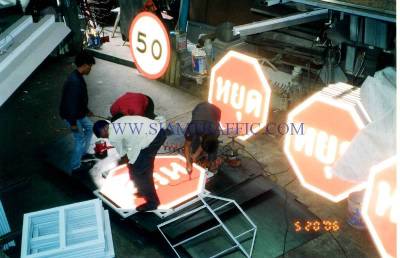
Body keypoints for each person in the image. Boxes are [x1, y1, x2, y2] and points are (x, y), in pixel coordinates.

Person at [93, 116, 166, 212]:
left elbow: (124, 156)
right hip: (159, 131)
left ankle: (152, 203)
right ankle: (142, 189)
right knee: (141, 164)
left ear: (105, 128)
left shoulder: (113, 136)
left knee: (140, 173)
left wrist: (128, 164)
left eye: (102, 135)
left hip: (152, 139)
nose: (104, 137)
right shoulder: (118, 121)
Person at [59, 51, 96, 173]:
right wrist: (73, 124)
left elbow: (78, 99)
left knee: (90, 128)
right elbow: (70, 105)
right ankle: (75, 165)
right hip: (72, 116)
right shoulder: (74, 82)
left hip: (78, 112)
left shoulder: (77, 76)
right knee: (79, 139)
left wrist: (87, 110)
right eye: (90, 66)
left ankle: (83, 154)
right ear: (85, 65)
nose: (90, 69)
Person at [184, 102, 221, 173]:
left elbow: (206, 143)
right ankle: (195, 154)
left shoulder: (215, 131)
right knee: (194, 139)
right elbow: (186, 145)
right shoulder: (192, 128)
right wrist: (188, 162)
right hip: (199, 108)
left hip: (215, 112)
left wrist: (196, 154)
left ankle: (212, 161)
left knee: (212, 144)